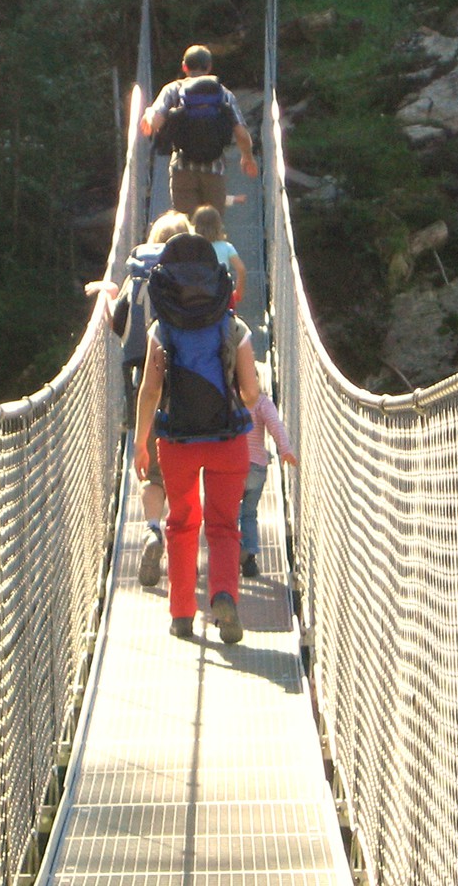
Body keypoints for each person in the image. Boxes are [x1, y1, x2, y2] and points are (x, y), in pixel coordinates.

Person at [134, 233, 260, 644]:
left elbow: (151, 390)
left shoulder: (161, 330)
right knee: (224, 526)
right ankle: (224, 595)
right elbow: (250, 394)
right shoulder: (234, 327)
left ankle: (182, 614)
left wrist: (140, 441)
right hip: (228, 442)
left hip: (176, 444)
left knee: (182, 523)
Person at [88, 210, 194, 588]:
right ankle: (185, 547)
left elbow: (118, 327)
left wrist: (108, 296)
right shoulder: (190, 281)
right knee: (185, 470)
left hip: (142, 388)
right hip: (186, 385)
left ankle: (152, 529)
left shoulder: (136, 279)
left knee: (153, 475)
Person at [140, 45, 259, 214]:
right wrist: (247, 157)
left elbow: (156, 122)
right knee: (212, 225)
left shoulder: (173, 90)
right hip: (214, 169)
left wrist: (148, 116)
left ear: (184, 67)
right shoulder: (223, 94)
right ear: (209, 67)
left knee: (185, 227)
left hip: (182, 167)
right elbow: (240, 132)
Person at [238, 390, 297, 578]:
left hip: (232, 468)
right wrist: (285, 450)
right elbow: (275, 425)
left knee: (228, 514)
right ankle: (249, 561)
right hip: (256, 468)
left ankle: (233, 549)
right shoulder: (261, 401)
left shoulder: (228, 399)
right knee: (249, 513)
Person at [190, 203, 246, 309]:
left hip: (197, 296)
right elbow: (241, 269)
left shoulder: (191, 247)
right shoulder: (227, 247)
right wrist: (238, 293)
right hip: (222, 296)